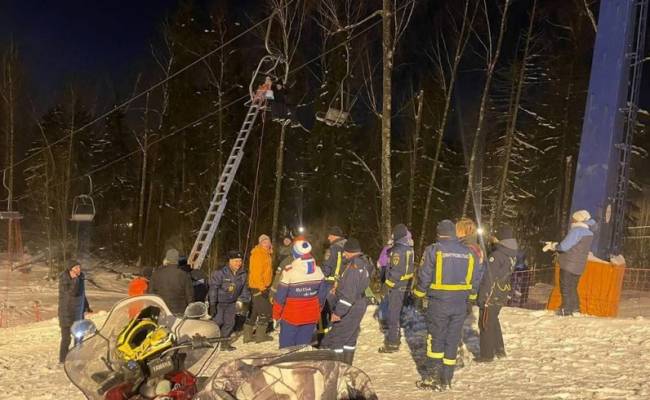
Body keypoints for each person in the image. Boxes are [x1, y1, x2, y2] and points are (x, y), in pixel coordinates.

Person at [413, 220, 480, 391]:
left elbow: (425, 275)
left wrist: (418, 295)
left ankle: (431, 378)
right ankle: (446, 378)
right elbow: (475, 279)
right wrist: (470, 299)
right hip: (460, 304)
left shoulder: (434, 250)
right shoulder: (469, 253)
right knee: (452, 339)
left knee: (436, 339)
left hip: (439, 303)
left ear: (439, 233)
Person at [320, 238, 371, 365]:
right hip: (359, 303)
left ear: (350, 251)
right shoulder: (364, 262)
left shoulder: (354, 267)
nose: (343, 254)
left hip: (351, 307)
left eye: (345, 252)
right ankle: (347, 368)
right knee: (350, 339)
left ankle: (336, 370)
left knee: (337, 339)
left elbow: (348, 295)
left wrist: (338, 313)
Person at [272, 239, 327, 348]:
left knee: (286, 348)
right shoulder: (319, 271)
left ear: (295, 254)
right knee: (303, 347)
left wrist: (276, 315)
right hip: (310, 316)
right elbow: (322, 297)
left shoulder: (289, 271)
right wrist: (317, 310)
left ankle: (287, 363)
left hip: (291, 316)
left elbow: (280, 297)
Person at [476, 226, 518, 362]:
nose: (492, 238)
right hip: (502, 291)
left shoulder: (497, 255)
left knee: (485, 322)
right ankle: (499, 349)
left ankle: (486, 355)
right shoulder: (511, 254)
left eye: (495, 236)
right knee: (493, 320)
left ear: (501, 239)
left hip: (492, 293)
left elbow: (490, 277)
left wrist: (483, 296)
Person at [543, 209, 595, 316]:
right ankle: (576, 309)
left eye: (574, 218)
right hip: (579, 265)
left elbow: (564, 247)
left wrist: (553, 246)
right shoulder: (589, 233)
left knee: (565, 287)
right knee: (573, 287)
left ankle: (565, 309)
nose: (572, 220)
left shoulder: (576, 231)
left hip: (568, 264)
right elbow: (575, 246)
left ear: (578, 220)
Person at [378, 224, 414, 353]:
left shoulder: (398, 251)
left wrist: (386, 285)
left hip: (397, 287)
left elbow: (396, 272)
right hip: (404, 285)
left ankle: (393, 342)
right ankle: (395, 337)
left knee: (393, 315)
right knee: (396, 312)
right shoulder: (408, 248)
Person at [208, 250, 251, 351]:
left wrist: (245, 301)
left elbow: (244, 289)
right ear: (230, 261)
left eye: (240, 261)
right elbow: (213, 289)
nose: (238, 263)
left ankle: (224, 343)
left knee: (230, 323)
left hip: (231, 303)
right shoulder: (220, 273)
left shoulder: (243, 274)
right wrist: (212, 304)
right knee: (217, 322)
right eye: (236, 261)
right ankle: (210, 342)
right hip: (219, 302)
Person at [243, 234, 274, 343]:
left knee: (255, 311)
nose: (266, 243)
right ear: (260, 243)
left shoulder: (267, 254)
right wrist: (262, 288)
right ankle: (260, 336)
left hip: (261, 286)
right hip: (259, 287)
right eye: (264, 242)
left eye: (268, 241)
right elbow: (256, 274)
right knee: (266, 311)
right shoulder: (258, 254)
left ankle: (247, 336)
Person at [58, 260, 91, 364]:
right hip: (66, 313)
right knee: (66, 338)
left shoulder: (80, 278)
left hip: (78, 313)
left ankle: (77, 357)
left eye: (79, 267)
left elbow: (81, 294)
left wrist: (86, 306)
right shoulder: (64, 280)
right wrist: (75, 280)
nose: (79, 270)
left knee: (79, 336)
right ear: (70, 269)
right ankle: (63, 360)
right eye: (76, 268)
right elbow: (72, 292)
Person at [319, 226, 347, 340]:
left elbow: (327, 267)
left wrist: (319, 274)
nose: (328, 237)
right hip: (344, 283)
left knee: (327, 309)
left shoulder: (333, 248)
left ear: (335, 236)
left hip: (330, 283)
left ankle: (328, 335)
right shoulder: (347, 248)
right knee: (339, 309)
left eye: (330, 235)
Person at [148, 249, 193, 315]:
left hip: (160, 311)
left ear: (167, 259)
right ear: (177, 260)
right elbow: (190, 296)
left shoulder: (156, 274)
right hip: (178, 312)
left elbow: (151, 293)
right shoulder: (184, 275)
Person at [270, 234, 295, 304]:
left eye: (288, 240)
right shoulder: (280, 249)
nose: (286, 241)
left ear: (291, 241)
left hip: (286, 273)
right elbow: (276, 260)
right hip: (278, 271)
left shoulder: (292, 250)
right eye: (285, 239)